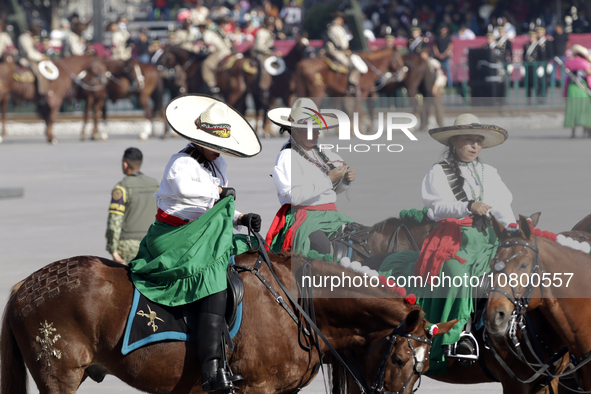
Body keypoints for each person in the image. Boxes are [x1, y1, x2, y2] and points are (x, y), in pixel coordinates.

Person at [128, 95, 262, 393]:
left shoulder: (219, 164)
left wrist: (241, 218)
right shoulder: (180, 163)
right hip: (174, 237)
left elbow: (214, 205)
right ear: (200, 140)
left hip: (204, 232)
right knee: (213, 279)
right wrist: (220, 190)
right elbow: (186, 190)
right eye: (217, 145)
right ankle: (212, 368)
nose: (222, 151)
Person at [416, 114, 513, 373]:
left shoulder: (488, 172)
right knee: (458, 274)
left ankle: (502, 329)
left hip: (488, 237)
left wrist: (514, 231)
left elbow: (503, 207)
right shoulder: (439, 171)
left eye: (478, 141)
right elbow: (435, 208)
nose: (474, 146)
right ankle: (455, 337)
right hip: (452, 237)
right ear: (454, 142)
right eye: (468, 141)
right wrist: (467, 206)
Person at [265, 98, 356, 261]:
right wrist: (329, 179)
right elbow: (294, 196)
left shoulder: (320, 152)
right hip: (304, 217)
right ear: (298, 131)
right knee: (322, 247)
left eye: (317, 129)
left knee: (358, 238)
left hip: (329, 215)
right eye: (312, 130)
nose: (317, 133)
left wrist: (345, 181)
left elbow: (331, 191)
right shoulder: (287, 156)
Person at [106, 148, 160, 264]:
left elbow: (115, 221)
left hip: (127, 246)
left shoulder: (122, 188)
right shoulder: (156, 185)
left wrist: (113, 249)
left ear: (125, 164)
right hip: (151, 243)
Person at [325, 11, 360, 94]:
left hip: (333, 51)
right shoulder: (337, 29)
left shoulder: (331, 28)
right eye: (342, 20)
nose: (343, 22)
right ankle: (351, 85)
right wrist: (346, 49)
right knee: (353, 66)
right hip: (337, 52)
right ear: (339, 20)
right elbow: (343, 44)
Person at [198, 18, 234, 94]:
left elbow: (210, 47)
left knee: (206, 64)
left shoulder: (207, 33)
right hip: (227, 51)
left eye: (201, 27)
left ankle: (211, 84)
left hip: (220, 52)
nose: (200, 29)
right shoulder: (219, 30)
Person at [563, 44, 591, 134]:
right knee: (585, 108)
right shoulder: (584, 62)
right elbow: (589, 73)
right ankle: (586, 128)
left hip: (572, 88)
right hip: (582, 88)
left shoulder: (569, 62)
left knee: (573, 108)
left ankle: (573, 130)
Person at [17, 21, 50, 97]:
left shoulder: (32, 38)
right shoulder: (24, 38)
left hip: (34, 59)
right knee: (39, 72)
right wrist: (42, 57)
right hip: (25, 60)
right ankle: (42, 93)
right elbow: (30, 54)